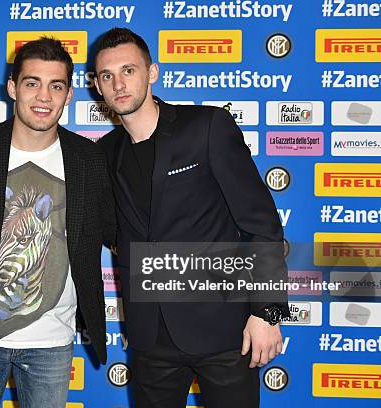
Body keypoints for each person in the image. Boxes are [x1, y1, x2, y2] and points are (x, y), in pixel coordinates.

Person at [93, 28, 289, 408]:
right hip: (150, 339)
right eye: (107, 75)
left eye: (128, 70)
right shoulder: (105, 153)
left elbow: (260, 224)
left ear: (152, 73)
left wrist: (267, 312)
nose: (118, 83)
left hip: (226, 332)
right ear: (98, 86)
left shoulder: (206, 127)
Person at [0, 37, 115, 408]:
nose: (44, 96)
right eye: (32, 83)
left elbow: (114, 230)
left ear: (69, 95)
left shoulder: (87, 158)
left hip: (52, 342)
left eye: (56, 85)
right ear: (13, 88)